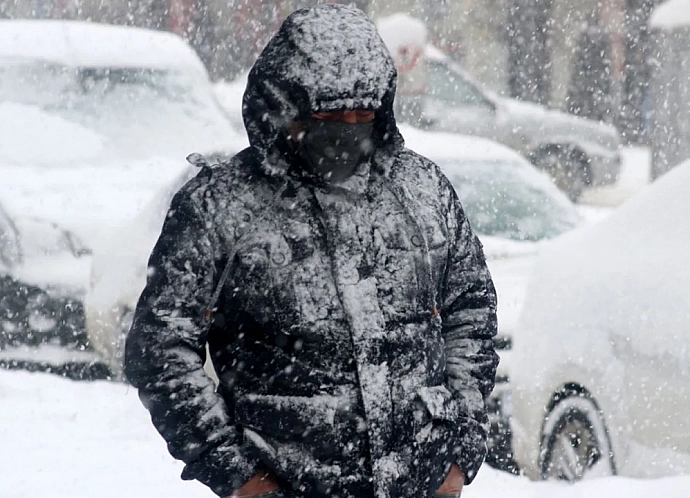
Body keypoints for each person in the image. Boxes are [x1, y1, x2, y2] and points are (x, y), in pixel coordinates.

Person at [123, 5, 498, 498]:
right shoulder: (222, 206)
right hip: (288, 483)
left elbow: (470, 312)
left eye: (362, 115)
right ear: (284, 107)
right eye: (329, 116)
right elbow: (160, 350)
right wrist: (237, 474)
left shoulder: (421, 189)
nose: (348, 129)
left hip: (419, 482)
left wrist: (459, 450)